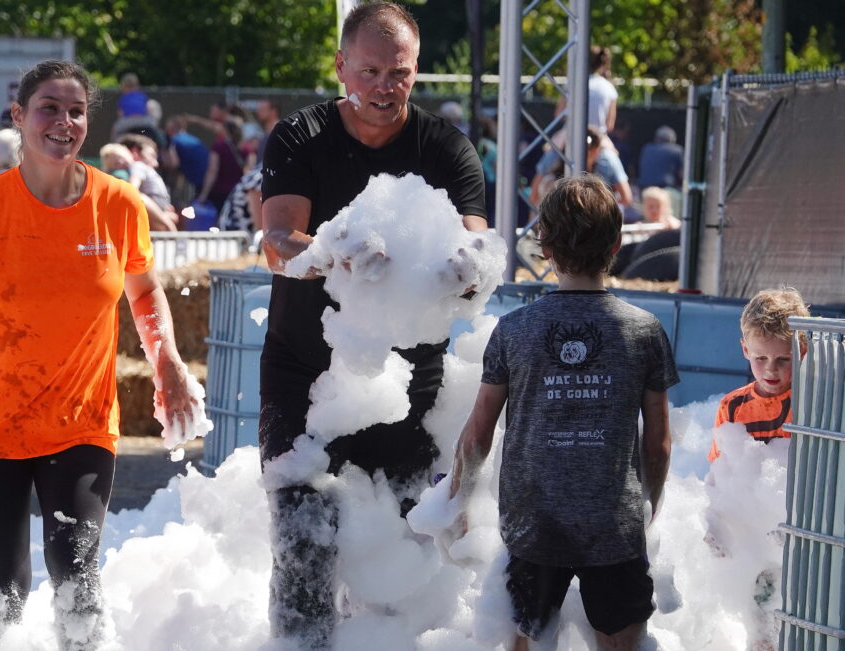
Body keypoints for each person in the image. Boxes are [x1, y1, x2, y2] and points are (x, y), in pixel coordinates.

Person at [0, 59, 201, 648]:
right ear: (20, 117)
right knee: (2, 588)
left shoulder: (120, 205)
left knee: (76, 574)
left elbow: (145, 291)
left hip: (81, 422)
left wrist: (169, 364)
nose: (65, 121)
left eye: (76, 111)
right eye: (49, 107)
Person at [259, 3, 488, 647]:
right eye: (369, 71)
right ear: (340, 67)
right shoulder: (300, 135)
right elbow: (275, 239)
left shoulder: (446, 148)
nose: (385, 88)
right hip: (305, 369)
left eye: (401, 74)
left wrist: (468, 267)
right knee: (303, 533)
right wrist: (329, 251)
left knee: (404, 544)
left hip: (411, 378)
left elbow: (479, 245)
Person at [448, 174, 677, 650]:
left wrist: (457, 501)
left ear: (544, 246)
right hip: (613, 525)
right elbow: (658, 443)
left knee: (522, 640)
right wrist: (648, 508)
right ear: (617, 243)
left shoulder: (514, 330)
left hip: (533, 524)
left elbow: (476, 437)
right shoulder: (645, 331)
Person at [708, 288, 809, 462]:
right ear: (746, 350)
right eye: (761, 358)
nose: (771, 369)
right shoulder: (732, 406)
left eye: (783, 359)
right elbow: (720, 470)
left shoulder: (809, 400)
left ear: (803, 351)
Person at [637, 125, 684, 191]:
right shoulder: (677, 150)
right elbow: (681, 175)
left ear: (656, 138)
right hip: (666, 189)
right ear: (672, 139)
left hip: (644, 189)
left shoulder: (646, 148)